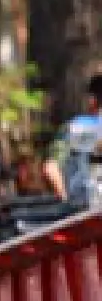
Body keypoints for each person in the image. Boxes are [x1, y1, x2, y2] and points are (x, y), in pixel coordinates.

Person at [43, 74, 102, 206]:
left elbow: (50, 168)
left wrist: (65, 200)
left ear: (92, 100)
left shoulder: (74, 128)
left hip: (84, 209)